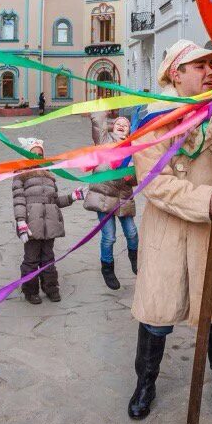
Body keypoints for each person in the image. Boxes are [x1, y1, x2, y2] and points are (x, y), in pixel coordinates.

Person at [128, 40, 212, 421]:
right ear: (177, 73)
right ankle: (145, 383)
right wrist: (202, 201)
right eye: (200, 65)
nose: (210, 72)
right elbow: (154, 183)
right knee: (157, 313)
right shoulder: (153, 120)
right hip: (168, 231)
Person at [13, 137, 86, 304]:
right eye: (33, 154)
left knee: (48, 258)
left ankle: (51, 287)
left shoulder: (50, 175)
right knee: (31, 259)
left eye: (40, 154)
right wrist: (21, 221)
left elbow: (54, 201)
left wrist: (72, 197)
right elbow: (18, 200)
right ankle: (30, 291)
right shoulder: (21, 175)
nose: (38, 156)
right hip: (32, 224)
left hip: (50, 224)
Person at [84, 111, 138, 290]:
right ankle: (107, 268)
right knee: (109, 237)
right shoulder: (104, 141)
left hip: (123, 197)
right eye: (118, 123)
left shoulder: (132, 149)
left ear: (130, 130)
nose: (122, 125)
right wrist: (103, 108)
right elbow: (98, 123)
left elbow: (139, 175)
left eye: (126, 124)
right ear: (111, 127)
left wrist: (133, 178)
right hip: (104, 197)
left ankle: (134, 257)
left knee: (132, 232)